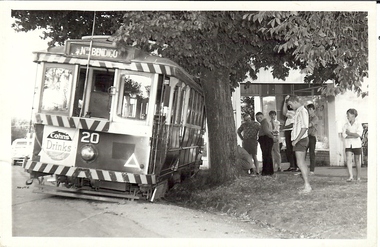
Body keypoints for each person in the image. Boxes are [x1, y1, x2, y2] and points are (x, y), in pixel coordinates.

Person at [287, 95, 312, 193]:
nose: (290, 107)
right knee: (301, 162)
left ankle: (307, 186)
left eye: (290, 104)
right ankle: (306, 184)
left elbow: (305, 127)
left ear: (294, 102)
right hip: (300, 139)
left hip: (301, 140)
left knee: (300, 163)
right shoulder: (298, 111)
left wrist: (296, 140)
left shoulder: (302, 111)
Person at [342, 109, 363, 182]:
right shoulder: (345, 125)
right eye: (347, 114)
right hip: (348, 144)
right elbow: (344, 135)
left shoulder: (358, 124)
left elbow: (358, 135)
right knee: (348, 159)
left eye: (348, 114)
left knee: (357, 160)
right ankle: (351, 176)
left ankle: (358, 177)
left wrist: (350, 133)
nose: (347, 116)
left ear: (353, 115)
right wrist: (352, 135)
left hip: (357, 144)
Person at [255, 112, 276, 176]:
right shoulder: (263, 123)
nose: (258, 119)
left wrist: (273, 137)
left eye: (258, 118)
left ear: (261, 117)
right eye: (257, 118)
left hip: (265, 139)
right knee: (267, 155)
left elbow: (266, 131)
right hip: (264, 138)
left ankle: (267, 171)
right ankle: (268, 171)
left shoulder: (264, 122)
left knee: (266, 155)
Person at [282, 95, 298, 172]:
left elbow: (295, 123)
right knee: (289, 149)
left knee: (294, 148)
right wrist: (284, 102)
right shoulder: (289, 112)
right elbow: (284, 112)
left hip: (293, 131)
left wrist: (285, 127)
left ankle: (297, 165)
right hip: (288, 130)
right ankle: (292, 165)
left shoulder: (297, 112)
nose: (290, 105)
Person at [306, 102, 318, 175]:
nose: (309, 111)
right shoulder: (307, 117)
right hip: (306, 137)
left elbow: (309, 125)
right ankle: (303, 169)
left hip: (312, 137)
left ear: (314, 110)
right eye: (308, 110)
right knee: (303, 153)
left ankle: (312, 170)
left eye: (310, 109)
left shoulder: (315, 118)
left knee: (311, 153)